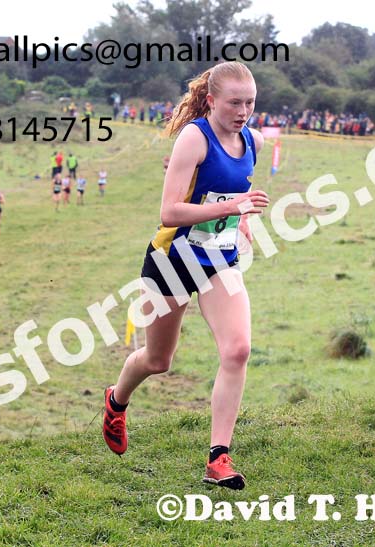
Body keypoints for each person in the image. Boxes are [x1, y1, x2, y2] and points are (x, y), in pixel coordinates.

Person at [102, 61, 268, 490]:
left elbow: (235, 192)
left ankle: (219, 457)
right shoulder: (195, 137)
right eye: (234, 102)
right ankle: (116, 401)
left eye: (250, 102)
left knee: (238, 350)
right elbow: (170, 212)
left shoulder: (253, 140)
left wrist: (242, 220)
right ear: (211, 100)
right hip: (172, 260)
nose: (243, 110)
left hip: (220, 262)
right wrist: (229, 208)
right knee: (158, 361)